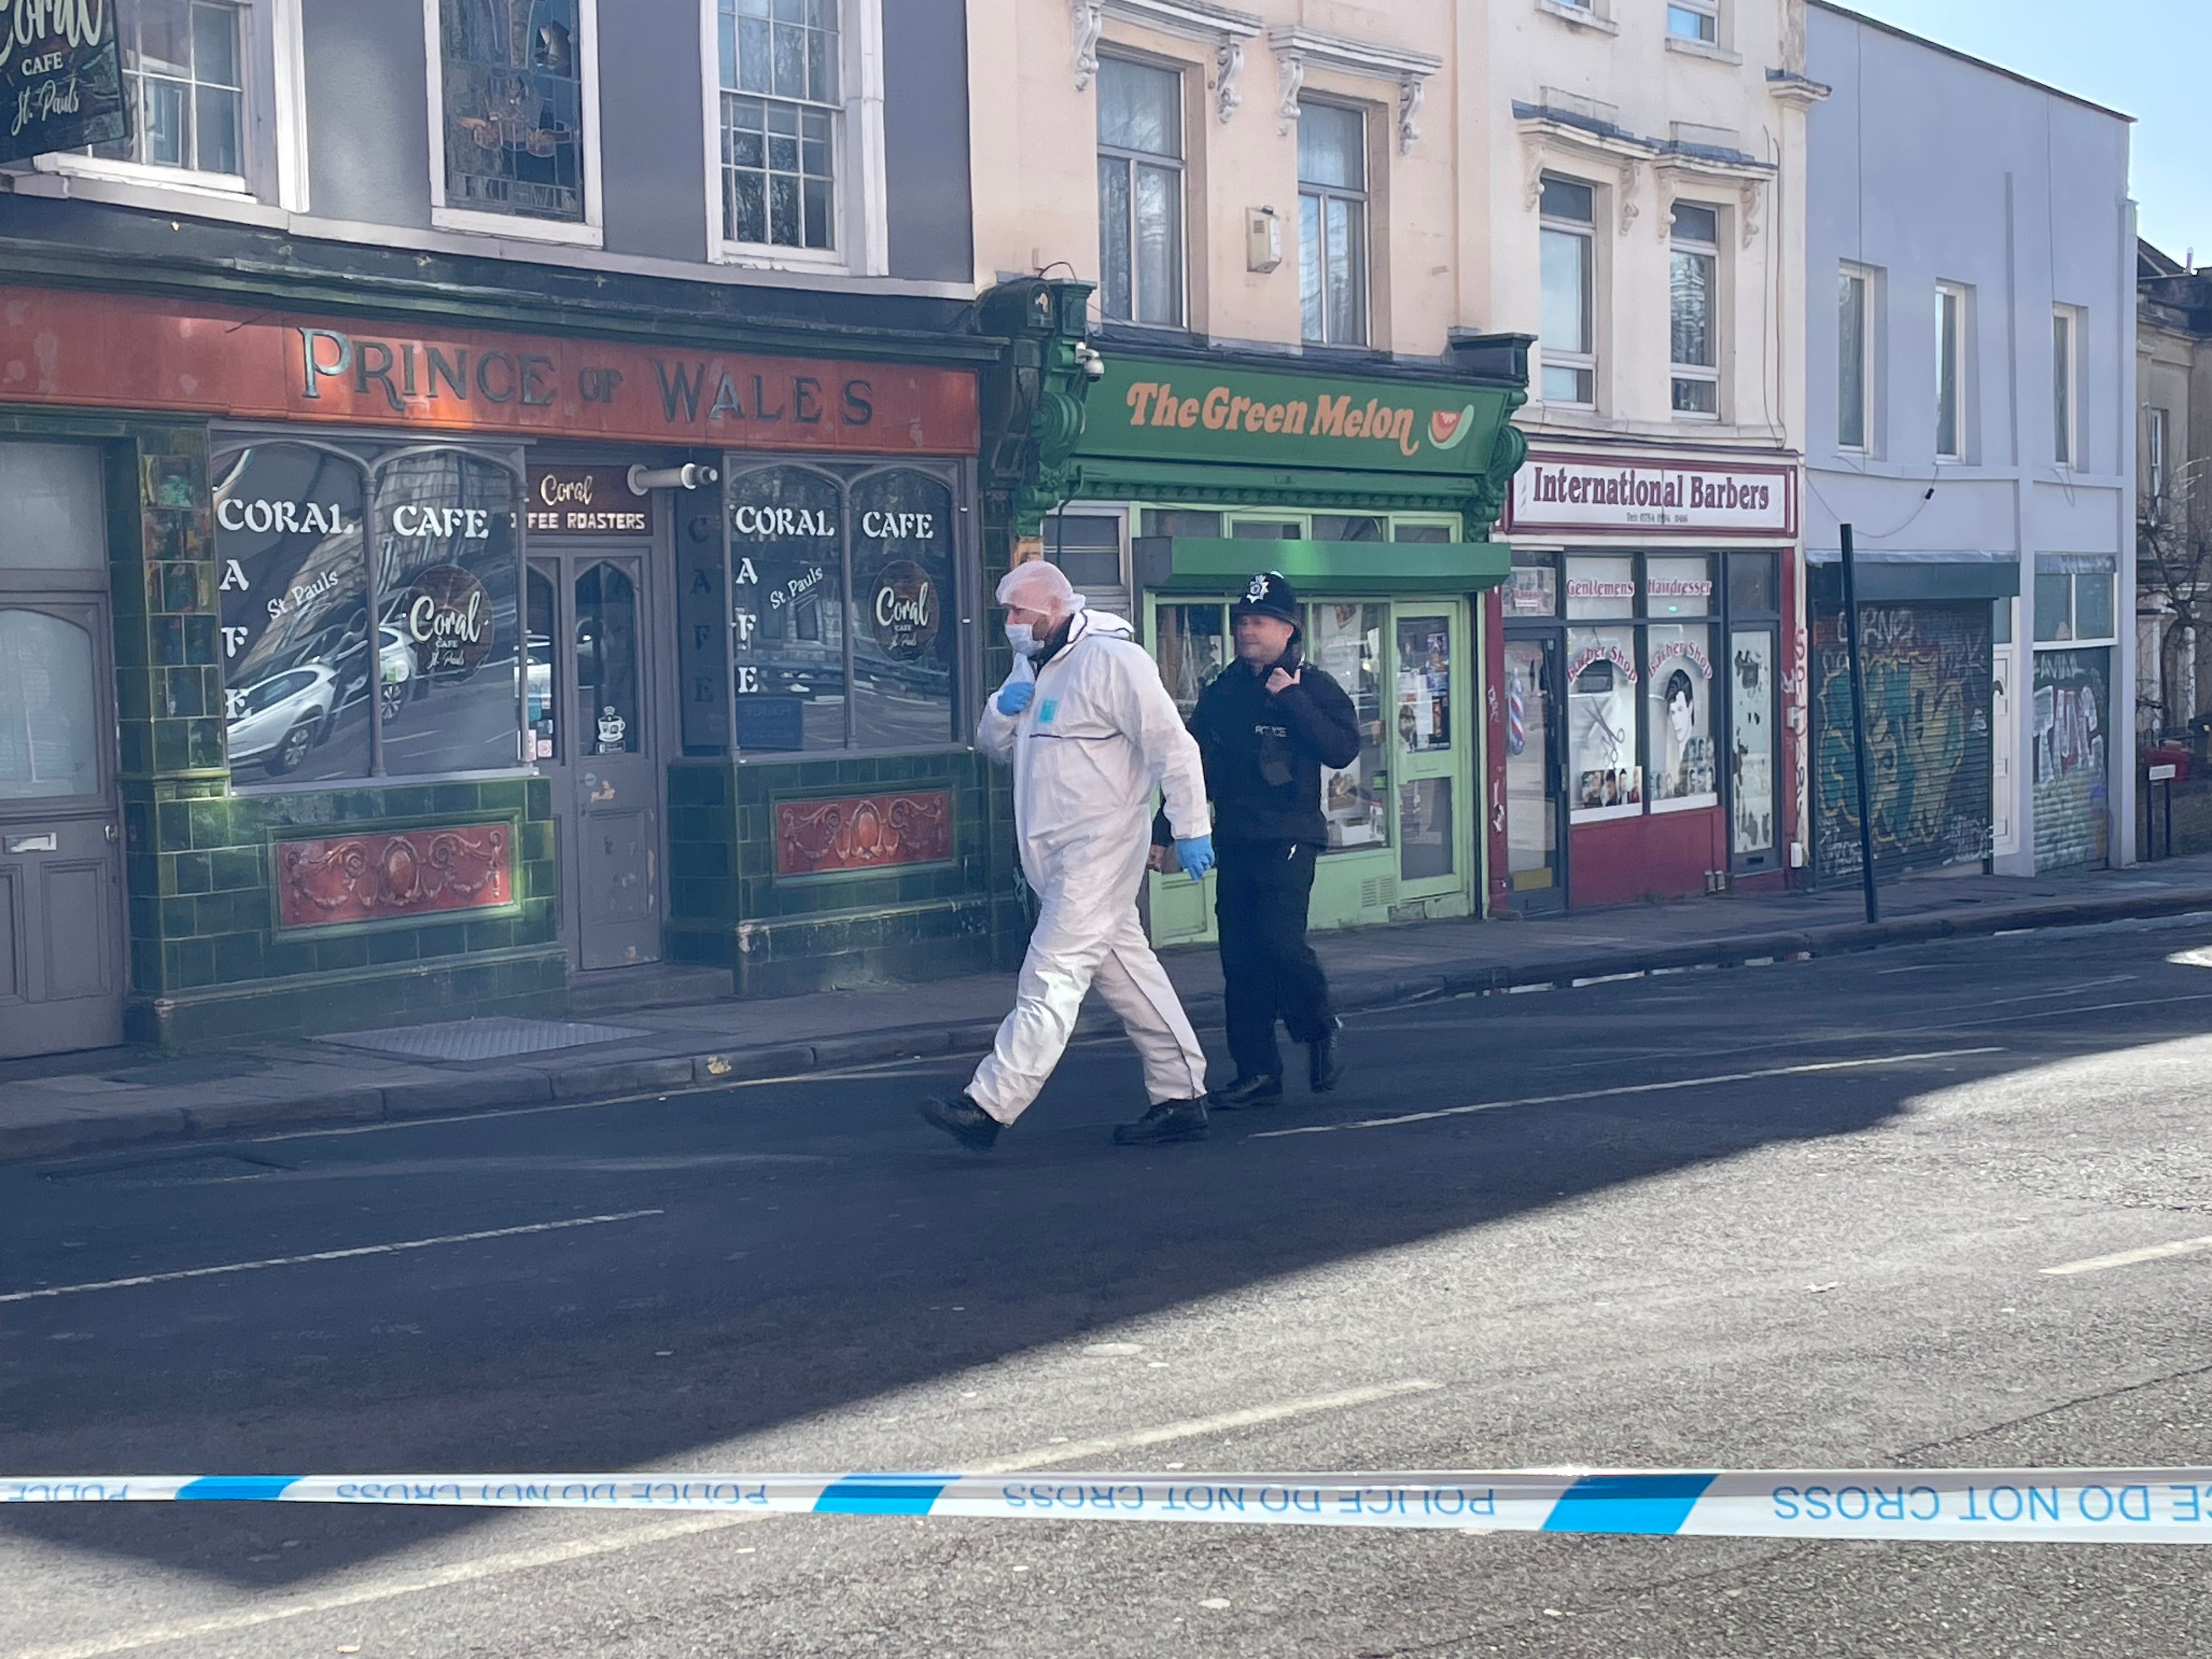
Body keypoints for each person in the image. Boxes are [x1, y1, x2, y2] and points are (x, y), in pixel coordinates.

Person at [917, 560, 1217, 1152]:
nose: (1011, 623)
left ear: (1053, 610)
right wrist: (1003, 710)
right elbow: (993, 747)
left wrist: (1190, 827)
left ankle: (989, 1105)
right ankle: (1182, 1091)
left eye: (1019, 612)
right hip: (1052, 852)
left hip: (1097, 849)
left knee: (1050, 976)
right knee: (1129, 972)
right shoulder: (1032, 664)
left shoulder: (1113, 662)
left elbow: (1172, 748)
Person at [1155, 571, 1361, 1108]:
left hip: (1290, 838)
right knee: (1241, 961)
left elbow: (1341, 749)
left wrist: (1293, 699)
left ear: (1287, 628)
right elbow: (1194, 767)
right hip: (1237, 838)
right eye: (1243, 620)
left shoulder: (1311, 685)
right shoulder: (1225, 691)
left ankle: (1318, 1028)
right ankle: (1257, 1072)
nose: (1248, 630)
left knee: (1280, 946)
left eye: (1260, 621)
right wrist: (1167, 832)